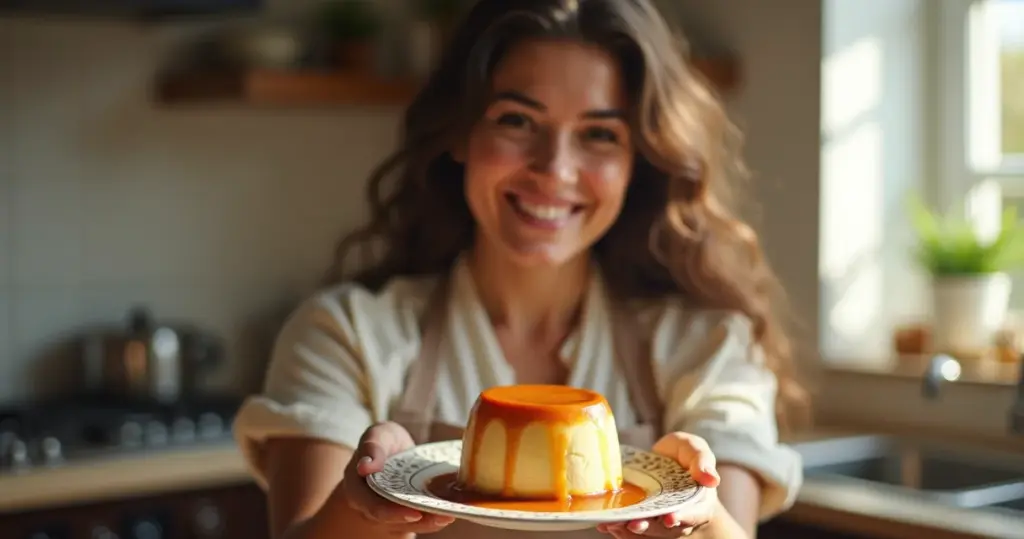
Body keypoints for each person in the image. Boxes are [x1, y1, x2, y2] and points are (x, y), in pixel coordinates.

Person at [232, 0, 809, 537]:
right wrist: (361, 505)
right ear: (460, 131)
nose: (554, 168)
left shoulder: (706, 347)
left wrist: (701, 518)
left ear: (640, 161)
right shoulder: (344, 335)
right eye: (517, 121)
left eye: (600, 134)